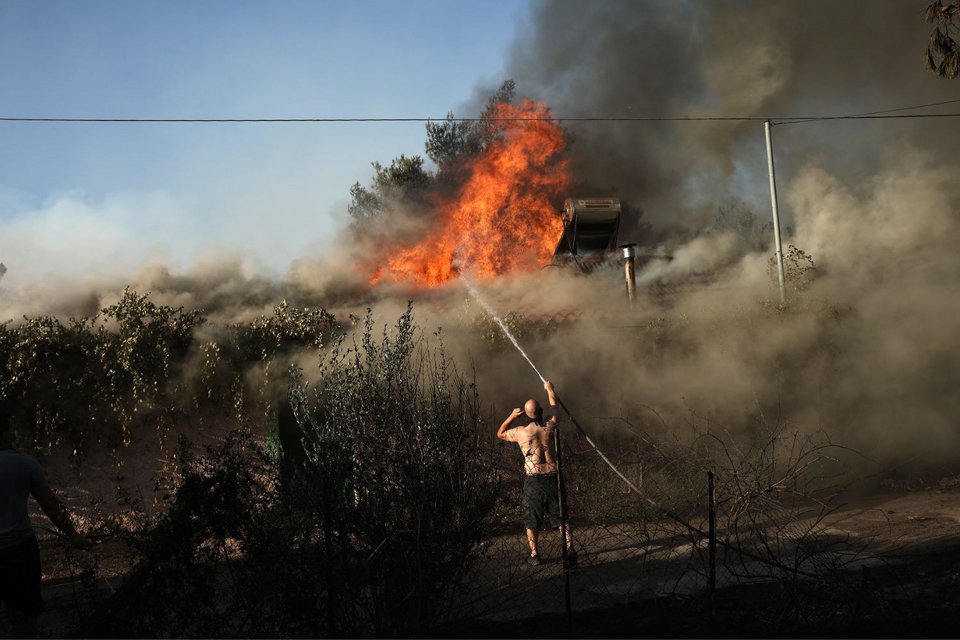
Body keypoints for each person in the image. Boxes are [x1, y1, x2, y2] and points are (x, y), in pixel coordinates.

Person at [0, 409, 92, 638]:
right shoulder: (24, 464)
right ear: (4, 433)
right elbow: (51, 505)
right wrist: (73, 535)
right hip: (18, 552)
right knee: (25, 619)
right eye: (10, 429)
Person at [497, 380, 576, 567]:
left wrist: (511, 416)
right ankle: (570, 550)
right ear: (540, 412)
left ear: (526, 414)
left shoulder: (520, 432)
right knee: (561, 517)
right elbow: (555, 407)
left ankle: (535, 554)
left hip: (534, 480)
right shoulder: (550, 425)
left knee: (532, 519)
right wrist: (549, 389)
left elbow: (500, 433)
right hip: (553, 477)